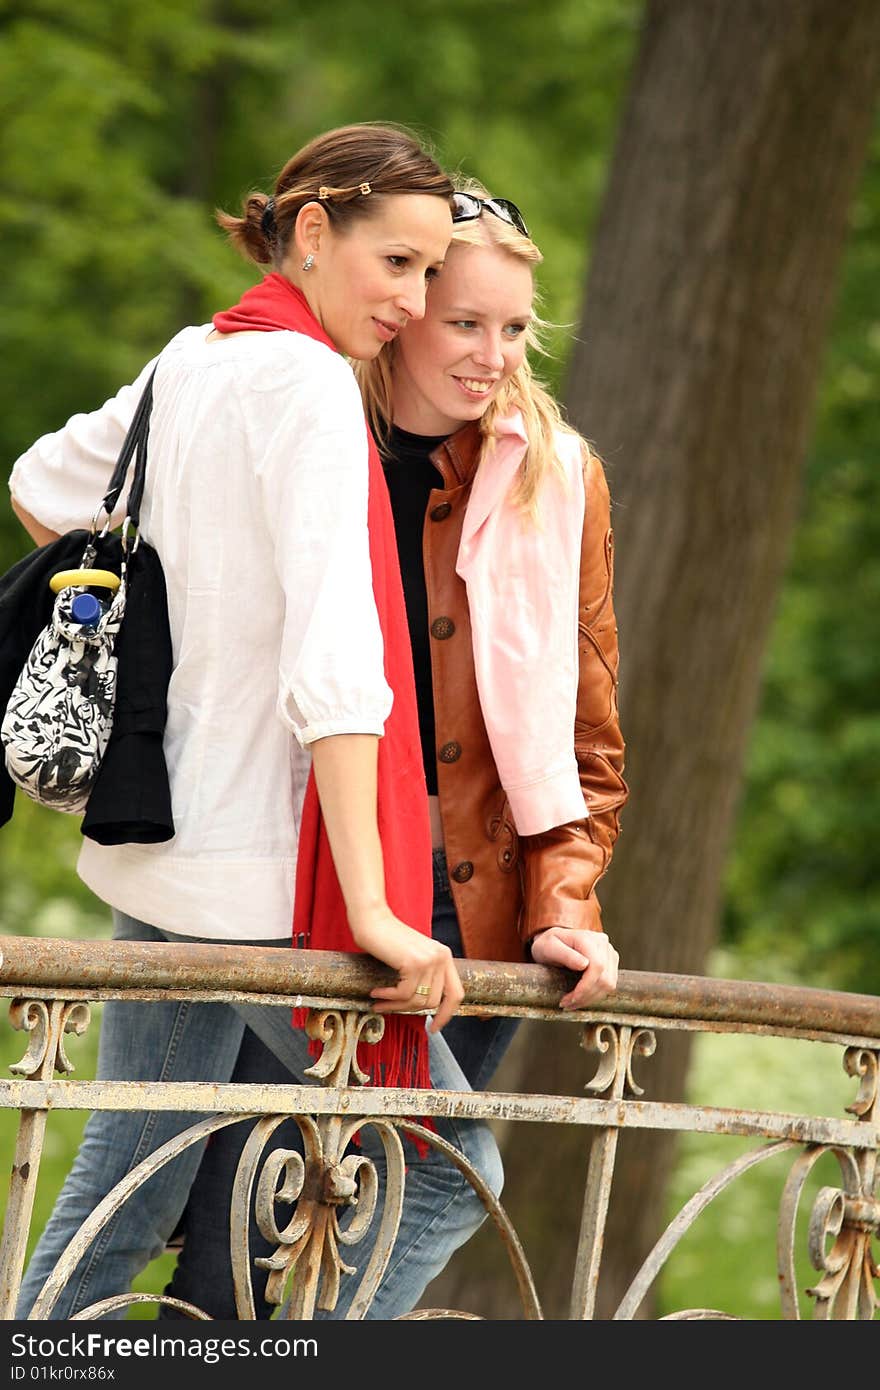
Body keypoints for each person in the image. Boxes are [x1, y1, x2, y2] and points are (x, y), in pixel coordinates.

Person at [8, 124, 511, 1322]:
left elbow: (40, 485)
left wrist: (186, 621)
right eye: (394, 263)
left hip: (156, 847)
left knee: (128, 1183)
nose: (411, 298)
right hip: (261, 887)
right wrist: (380, 910)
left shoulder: (195, 356)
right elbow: (337, 671)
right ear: (314, 230)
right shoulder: (307, 388)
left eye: (430, 274)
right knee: (453, 1175)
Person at [160, 183, 628, 1319]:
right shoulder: (305, 415)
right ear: (401, 304)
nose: (489, 354)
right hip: (313, 862)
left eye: (514, 328)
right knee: (250, 1210)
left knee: (394, 1191)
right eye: (462, 319)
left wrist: (569, 899)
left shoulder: (553, 476)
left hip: (476, 898)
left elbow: (586, 729)